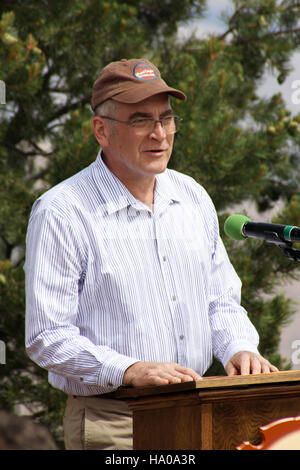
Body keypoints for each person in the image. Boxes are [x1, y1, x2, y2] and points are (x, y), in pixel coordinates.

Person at [24, 58, 278, 450]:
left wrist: (239, 347)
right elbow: (47, 336)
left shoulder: (192, 195)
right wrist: (129, 369)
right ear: (101, 131)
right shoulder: (62, 211)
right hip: (117, 423)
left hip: (201, 415)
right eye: (141, 120)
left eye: (167, 119)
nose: (159, 134)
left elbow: (220, 301)